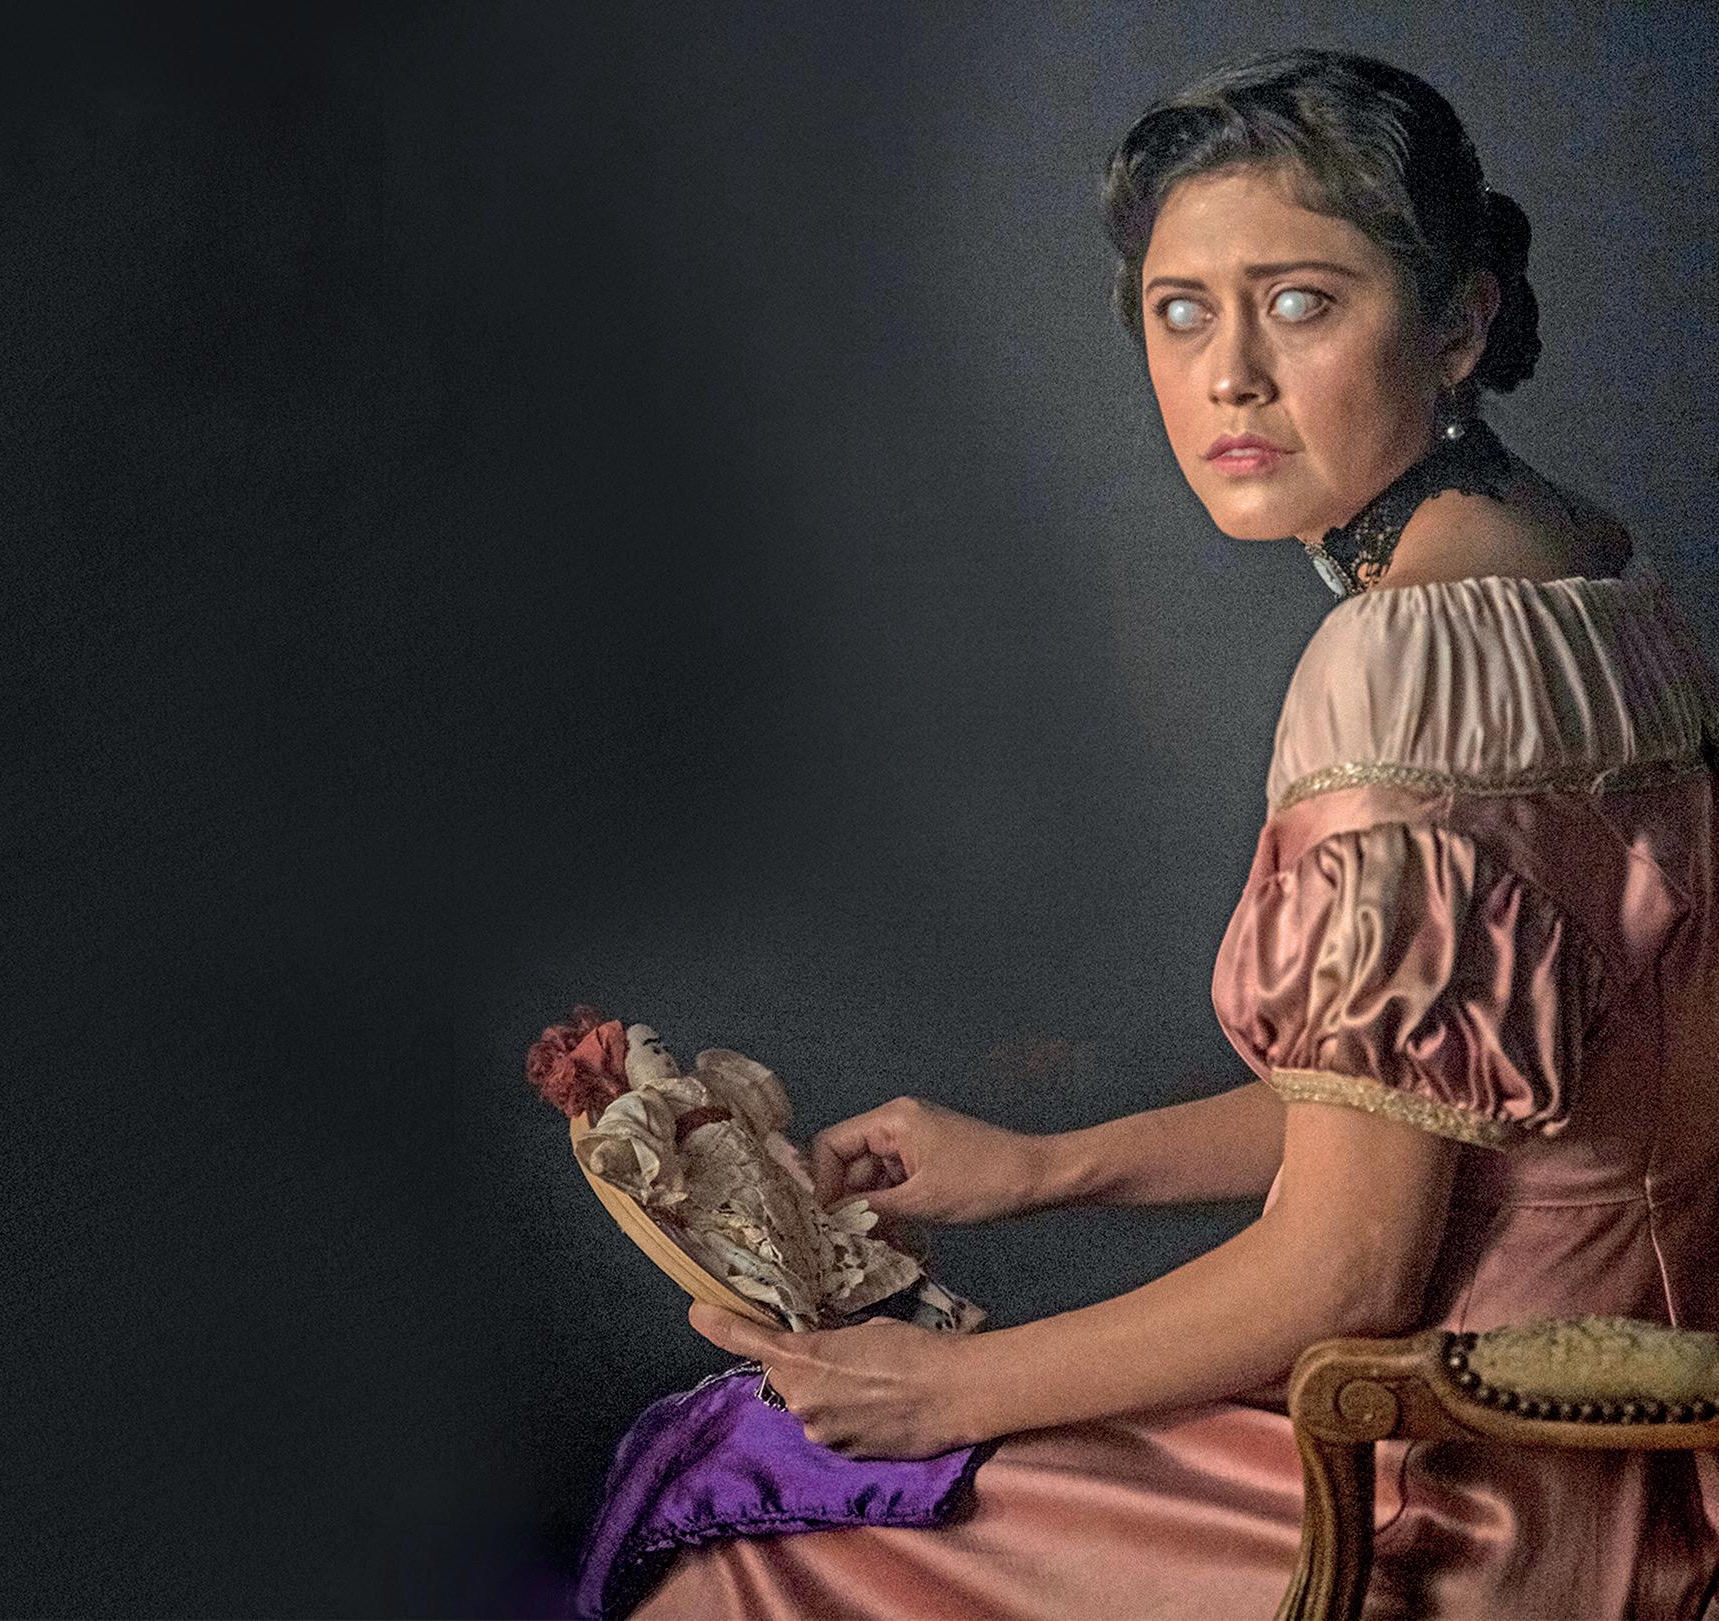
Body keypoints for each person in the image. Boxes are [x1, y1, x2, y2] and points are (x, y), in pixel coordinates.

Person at [626, 47, 1719, 1620]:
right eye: (1180, 309)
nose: (1228, 377)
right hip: (1640, 1448)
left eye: (1300, 301)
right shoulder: (1593, 584)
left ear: (1458, 323)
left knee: (737, 1538)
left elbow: (1347, 1269)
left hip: (1446, 1480)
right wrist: (1041, 1165)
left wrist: (949, 1389)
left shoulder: (1398, 666)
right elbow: (1465, 1115)